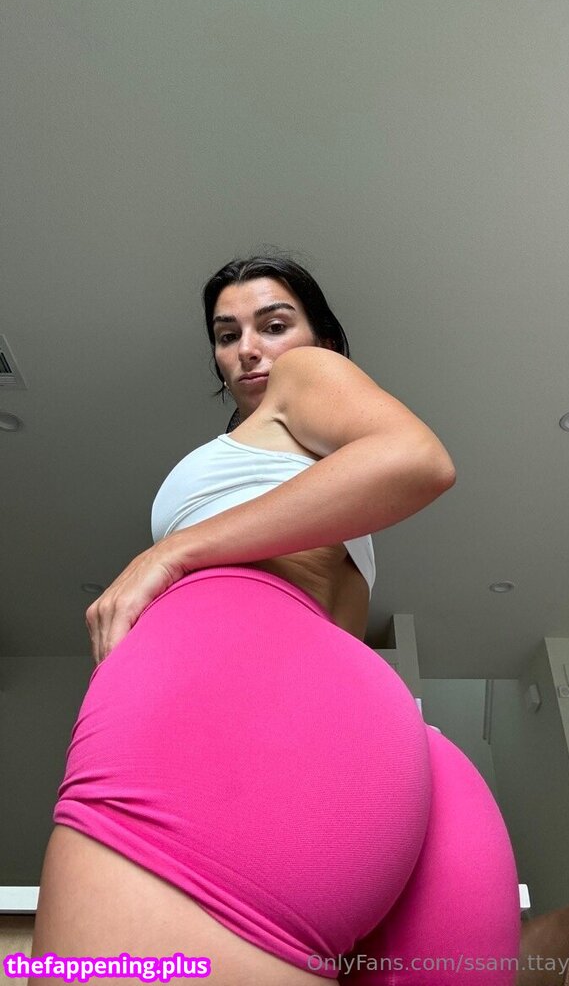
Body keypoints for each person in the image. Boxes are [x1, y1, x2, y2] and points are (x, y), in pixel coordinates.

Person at [30, 253, 521, 985]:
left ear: (322, 338)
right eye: (227, 335)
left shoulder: (306, 376)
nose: (249, 349)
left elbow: (417, 458)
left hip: (245, 718)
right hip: (381, 749)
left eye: (274, 324)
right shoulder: (288, 459)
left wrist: (170, 553)